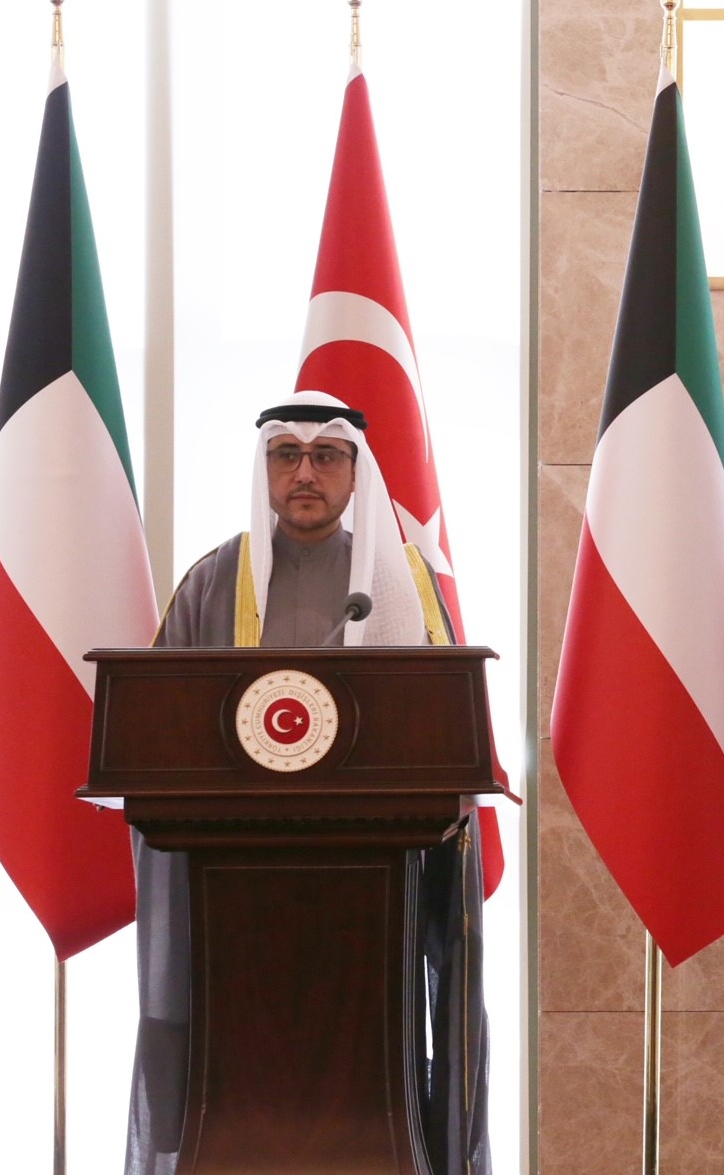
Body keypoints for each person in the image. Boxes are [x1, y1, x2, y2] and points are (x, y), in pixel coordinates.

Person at [124, 391, 489, 1175]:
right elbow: (160, 728)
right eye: (285, 457)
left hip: (375, 876)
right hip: (231, 886)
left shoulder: (402, 582)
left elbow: (441, 729)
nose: (305, 474)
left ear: (357, 475)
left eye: (326, 457)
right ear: (264, 473)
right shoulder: (213, 581)